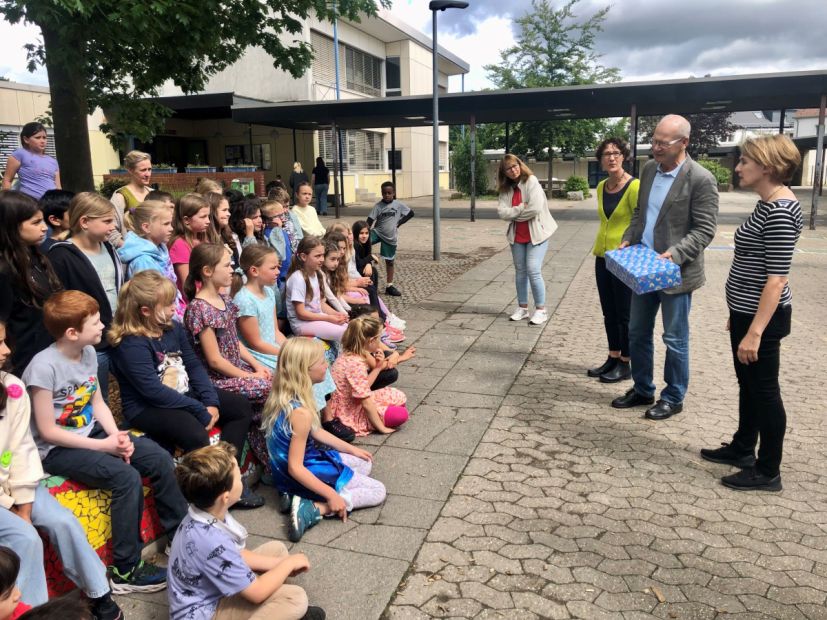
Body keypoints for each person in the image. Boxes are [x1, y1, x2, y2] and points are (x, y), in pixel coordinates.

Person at [22, 290, 188, 593]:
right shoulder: (42, 367)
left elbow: (97, 402)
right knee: (125, 478)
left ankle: (181, 535)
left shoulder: (87, 353)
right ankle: (126, 570)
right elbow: (47, 431)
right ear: (72, 332)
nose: (103, 327)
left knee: (158, 458)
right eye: (96, 323)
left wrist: (116, 436)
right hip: (57, 449)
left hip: (92, 433)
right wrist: (105, 446)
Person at [109, 271, 264, 508]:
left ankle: (226, 477)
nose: (175, 308)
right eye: (168, 304)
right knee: (194, 433)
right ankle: (205, 496)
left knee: (240, 406)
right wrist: (199, 409)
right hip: (148, 407)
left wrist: (210, 400)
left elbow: (192, 365)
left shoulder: (172, 328)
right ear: (145, 311)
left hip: (183, 393)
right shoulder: (131, 344)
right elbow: (152, 391)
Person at [700, 135, 802, 491]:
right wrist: (738, 313)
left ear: (767, 168)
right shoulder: (766, 203)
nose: (738, 167)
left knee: (765, 392)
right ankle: (743, 448)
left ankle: (768, 470)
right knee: (748, 386)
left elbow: (776, 280)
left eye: (745, 161)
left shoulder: (779, 211)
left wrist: (755, 330)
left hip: (763, 320)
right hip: (746, 312)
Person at [0, 325, 122, 618]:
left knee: (62, 521)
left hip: (18, 482)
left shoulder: (12, 388)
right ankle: (36, 613)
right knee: (24, 537)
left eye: (5, 340)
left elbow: (21, 450)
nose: (6, 351)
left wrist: (25, 504)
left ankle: (99, 593)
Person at [612, 114, 719, 420]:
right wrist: (629, 238)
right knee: (637, 332)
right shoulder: (648, 170)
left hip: (675, 273)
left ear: (683, 143)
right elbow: (639, 213)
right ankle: (643, 389)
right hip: (644, 267)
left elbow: (704, 229)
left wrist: (675, 253)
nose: (655, 147)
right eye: (654, 140)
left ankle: (673, 396)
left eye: (662, 142)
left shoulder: (700, 179)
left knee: (674, 338)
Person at [169, 443, 325, 620]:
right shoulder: (210, 541)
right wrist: (288, 565)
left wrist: (280, 564)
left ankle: (279, 611)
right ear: (225, 497)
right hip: (207, 612)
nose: (242, 477)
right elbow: (256, 592)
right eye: (238, 476)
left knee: (277, 550)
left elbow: (235, 554)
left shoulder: (205, 512)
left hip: (212, 593)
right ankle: (282, 608)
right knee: (295, 598)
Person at [262, 338, 384, 542]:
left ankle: (293, 494)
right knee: (378, 491)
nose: (326, 365)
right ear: (304, 370)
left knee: (364, 463)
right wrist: (331, 496)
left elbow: (317, 432)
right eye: (321, 362)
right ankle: (313, 507)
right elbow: (296, 467)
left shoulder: (284, 397)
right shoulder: (300, 413)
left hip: (287, 472)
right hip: (305, 470)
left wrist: (351, 449)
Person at [48, 192, 124, 402]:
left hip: (117, 333)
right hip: (89, 343)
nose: (112, 227)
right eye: (107, 221)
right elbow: (61, 302)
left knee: (131, 387)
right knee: (96, 397)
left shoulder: (108, 247)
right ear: (84, 222)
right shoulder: (61, 255)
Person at [184, 244, 272, 405]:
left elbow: (233, 340)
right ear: (207, 271)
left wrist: (257, 366)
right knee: (265, 387)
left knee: (277, 379)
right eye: (226, 265)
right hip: (217, 378)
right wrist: (250, 376)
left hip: (236, 369)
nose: (232, 269)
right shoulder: (199, 308)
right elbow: (215, 361)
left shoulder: (224, 299)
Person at [588, 138, 639, 383]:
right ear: (600, 159)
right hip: (602, 256)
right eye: (606, 154)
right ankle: (613, 356)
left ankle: (626, 362)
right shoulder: (600, 187)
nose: (611, 157)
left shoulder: (634, 186)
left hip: (625, 258)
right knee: (608, 312)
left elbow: (640, 221)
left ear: (624, 157)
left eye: (616, 153)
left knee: (624, 313)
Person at [0, 191, 62, 376]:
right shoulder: (4, 272)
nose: (44, 228)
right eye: (35, 223)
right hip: (23, 366)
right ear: (11, 226)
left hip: (49, 357)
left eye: (43, 221)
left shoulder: (37, 257)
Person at [496, 155, 558, 326]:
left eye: (514, 166)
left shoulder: (531, 181)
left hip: (537, 234)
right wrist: (519, 208)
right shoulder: (506, 189)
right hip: (517, 236)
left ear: (520, 165)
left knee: (533, 269)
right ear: (504, 172)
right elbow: (502, 213)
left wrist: (514, 215)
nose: (513, 170)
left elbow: (535, 208)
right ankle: (523, 308)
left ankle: (541, 310)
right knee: (520, 271)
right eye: (508, 168)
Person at [329, 315, 409, 436]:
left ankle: (384, 413)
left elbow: (364, 386)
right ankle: (377, 420)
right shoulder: (355, 364)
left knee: (398, 397)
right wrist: (381, 428)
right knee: (401, 414)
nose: (380, 342)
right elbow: (365, 401)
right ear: (371, 341)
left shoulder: (353, 353)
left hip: (352, 400)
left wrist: (377, 367)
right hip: (347, 410)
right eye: (379, 339)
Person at [117, 201, 187, 320]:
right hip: (159, 321)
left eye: (171, 223)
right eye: (166, 224)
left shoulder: (160, 249)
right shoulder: (143, 261)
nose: (171, 228)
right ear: (146, 227)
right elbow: (151, 300)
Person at [285, 236, 348, 342]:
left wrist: (336, 314)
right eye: (317, 256)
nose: (322, 260)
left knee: (350, 327)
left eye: (323, 255)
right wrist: (328, 318)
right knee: (347, 333)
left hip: (317, 318)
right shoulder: (298, 279)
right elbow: (301, 313)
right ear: (304, 257)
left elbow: (320, 304)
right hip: (302, 324)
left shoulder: (316, 274)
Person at [367, 182, 414, 297]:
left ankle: (389, 285)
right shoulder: (378, 206)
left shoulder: (398, 205)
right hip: (377, 232)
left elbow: (411, 213)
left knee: (390, 261)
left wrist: (399, 223)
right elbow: (369, 220)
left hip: (390, 237)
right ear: (381, 193)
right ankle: (364, 274)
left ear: (394, 193)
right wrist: (363, 232)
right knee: (363, 243)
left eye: (389, 193)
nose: (387, 195)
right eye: (384, 193)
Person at [169, 193, 213, 297]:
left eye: (208, 216)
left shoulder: (203, 239)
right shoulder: (179, 245)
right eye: (203, 217)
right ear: (186, 220)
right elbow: (188, 286)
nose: (208, 221)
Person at [1, 123, 60, 200]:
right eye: (38, 137)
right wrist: (6, 202)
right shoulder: (20, 154)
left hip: (51, 204)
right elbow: (7, 180)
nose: (42, 141)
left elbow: (58, 186)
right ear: (26, 139)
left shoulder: (52, 161)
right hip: (30, 204)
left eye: (44, 138)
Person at [109, 151, 153, 248]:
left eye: (149, 169)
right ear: (130, 170)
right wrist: (130, 249)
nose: (147, 174)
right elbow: (110, 229)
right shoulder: (120, 196)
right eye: (143, 170)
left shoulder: (153, 193)